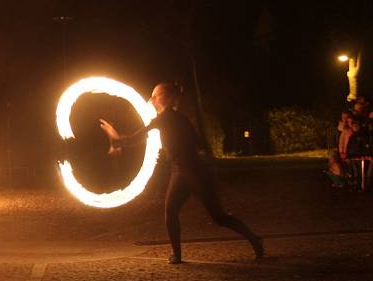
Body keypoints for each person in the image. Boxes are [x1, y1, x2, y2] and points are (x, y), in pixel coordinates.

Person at [99, 83, 264, 264]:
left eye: (154, 96)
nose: (151, 100)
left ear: (163, 98)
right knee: (173, 211)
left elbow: (132, 139)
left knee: (218, 217)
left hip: (191, 171)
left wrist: (114, 137)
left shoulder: (164, 118)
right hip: (185, 170)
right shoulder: (179, 118)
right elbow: (199, 143)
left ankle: (254, 240)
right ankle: (177, 254)